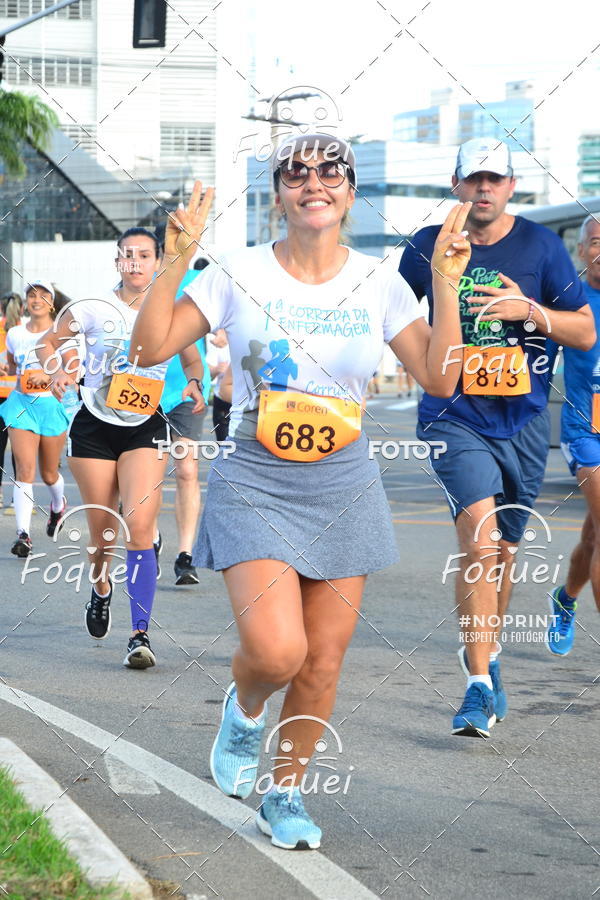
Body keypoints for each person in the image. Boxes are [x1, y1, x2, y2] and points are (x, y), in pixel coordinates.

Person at [131, 131, 473, 848]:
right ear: (279, 194)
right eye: (296, 173)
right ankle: (246, 706)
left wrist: (444, 281)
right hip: (257, 474)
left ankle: (284, 793)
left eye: (330, 172)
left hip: (343, 480)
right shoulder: (238, 271)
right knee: (278, 652)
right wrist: (175, 260)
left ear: (349, 192)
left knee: (322, 659)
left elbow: (442, 378)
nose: (313, 182)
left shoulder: (381, 282)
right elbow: (148, 350)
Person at [399, 137, 594, 738]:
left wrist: (529, 312)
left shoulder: (540, 246)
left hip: (526, 422)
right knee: (481, 544)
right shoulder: (423, 247)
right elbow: (386, 322)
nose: (484, 189)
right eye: (473, 179)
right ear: (456, 185)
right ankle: (477, 686)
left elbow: (584, 331)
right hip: (451, 414)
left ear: (511, 187)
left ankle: (487, 651)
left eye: (496, 180)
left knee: (505, 553)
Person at [37, 228, 205, 669]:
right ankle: (101, 587)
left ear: (157, 262)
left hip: (145, 427)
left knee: (140, 526)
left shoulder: (171, 308)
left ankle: (139, 634)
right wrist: (57, 369)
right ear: (117, 263)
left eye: (144, 255)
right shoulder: (93, 307)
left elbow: (191, 357)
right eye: (126, 256)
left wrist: (193, 382)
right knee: (102, 537)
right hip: (93, 427)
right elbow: (48, 341)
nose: (134, 263)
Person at [549, 214, 600, 654]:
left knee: (592, 537)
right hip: (585, 432)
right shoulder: (571, 300)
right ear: (582, 251)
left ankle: (565, 599)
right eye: (596, 242)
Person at [1, 281, 70, 556]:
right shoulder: (15, 333)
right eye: (31, 295)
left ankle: (57, 506)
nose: (36, 299)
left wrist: (51, 375)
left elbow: (72, 368)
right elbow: (13, 365)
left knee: (50, 474)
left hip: (51, 407)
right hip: (21, 405)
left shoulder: (63, 334)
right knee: (24, 471)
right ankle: (23, 535)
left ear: (52, 303)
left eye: (43, 295)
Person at [159, 256, 212, 585]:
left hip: (187, 388)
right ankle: (147, 537)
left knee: (187, 469)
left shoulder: (200, 279)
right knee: (146, 475)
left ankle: (185, 555)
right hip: (142, 391)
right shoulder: (146, 280)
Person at [0, 293, 21, 504]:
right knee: (20, 451)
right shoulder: (25, 330)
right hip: (21, 397)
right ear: (22, 309)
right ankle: (20, 495)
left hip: (2, 397)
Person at [206, 329, 231, 441]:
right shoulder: (220, 341)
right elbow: (208, 375)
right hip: (223, 402)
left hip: (247, 402)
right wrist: (217, 369)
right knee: (224, 447)